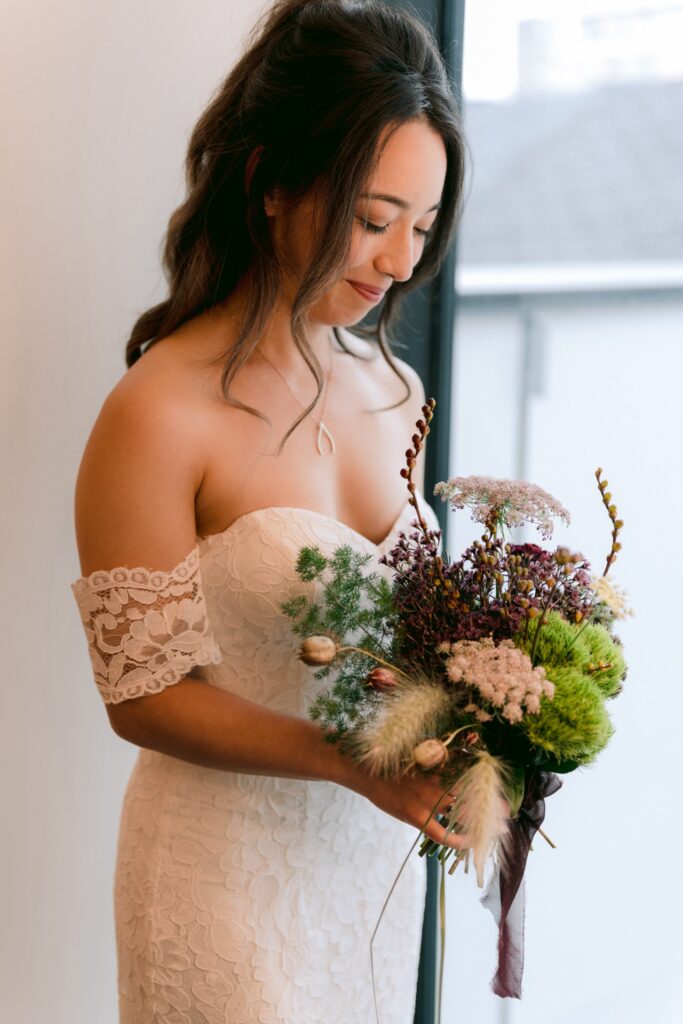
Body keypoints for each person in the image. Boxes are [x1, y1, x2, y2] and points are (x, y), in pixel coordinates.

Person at [69, 1, 468, 1020]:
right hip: (219, 874)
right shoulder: (158, 410)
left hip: (366, 877)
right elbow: (140, 698)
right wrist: (349, 762)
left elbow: (403, 632)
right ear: (272, 184)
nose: (397, 263)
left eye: (420, 229)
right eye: (374, 219)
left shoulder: (396, 392)